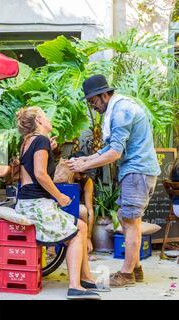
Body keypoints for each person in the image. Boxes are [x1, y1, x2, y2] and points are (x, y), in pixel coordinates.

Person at [67, 74, 160, 288]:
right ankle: (135, 269)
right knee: (126, 217)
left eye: (93, 101)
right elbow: (109, 147)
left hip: (138, 171)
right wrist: (86, 158)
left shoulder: (120, 111)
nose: (93, 106)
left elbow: (115, 153)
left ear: (103, 95)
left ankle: (126, 274)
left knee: (130, 221)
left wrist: (85, 166)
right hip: (135, 171)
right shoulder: (117, 109)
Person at [15, 106, 107, 300]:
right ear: (39, 120)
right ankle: (75, 286)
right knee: (77, 232)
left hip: (28, 203)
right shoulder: (40, 141)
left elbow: (35, 168)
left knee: (80, 227)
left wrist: (51, 149)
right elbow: (40, 174)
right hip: (36, 206)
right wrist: (59, 196)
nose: (50, 119)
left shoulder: (29, 141)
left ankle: (86, 278)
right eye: (45, 116)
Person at [69, 152, 97, 261]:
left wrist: (89, 237)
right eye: (79, 173)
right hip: (61, 206)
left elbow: (90, 209)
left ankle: (84, 249)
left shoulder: (86, 180)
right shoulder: (64, 173)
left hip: (77, 208)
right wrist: (70, 175)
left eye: (84, 173)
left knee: (84, 210)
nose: (81, 177)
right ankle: (51, 249)